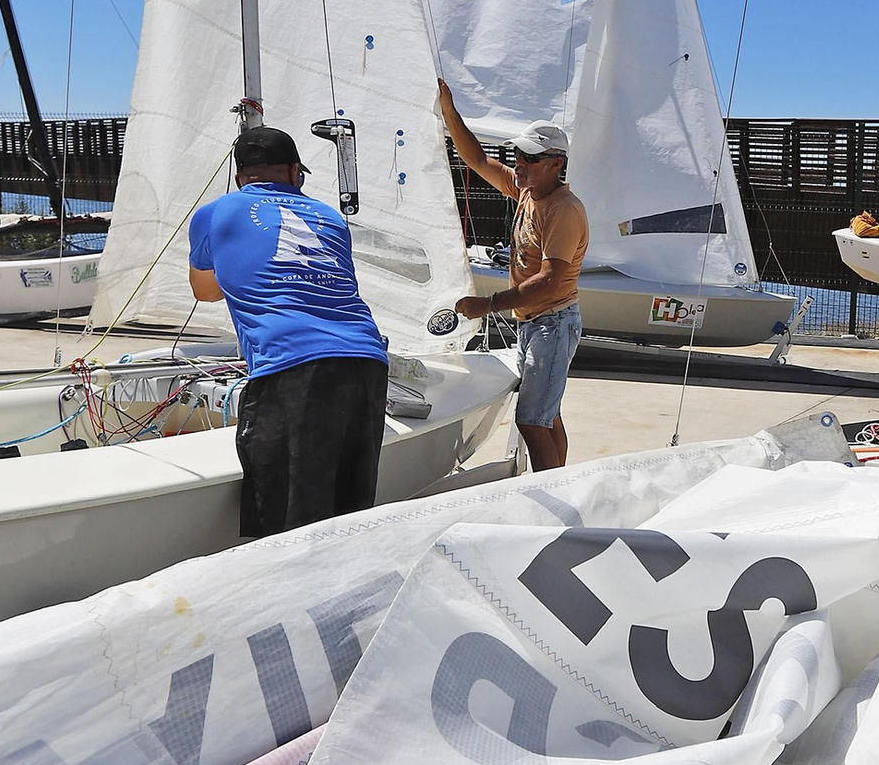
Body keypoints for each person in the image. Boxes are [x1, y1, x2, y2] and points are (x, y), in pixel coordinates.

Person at [188, 123, 389, 538]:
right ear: (296, 173)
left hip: (292, 366)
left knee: (288, 529)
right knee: (348, 518)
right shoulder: (332, 217)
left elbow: (204, 290)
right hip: (366, 361)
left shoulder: (215, 212)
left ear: (240, 177)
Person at [438, 79, 587, 470]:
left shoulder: (563, 210)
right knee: (547, 415)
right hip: (537, 325)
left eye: (531, 158)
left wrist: (487, 305)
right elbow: (476, 160)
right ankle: (560, 486)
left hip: (552, 324)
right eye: (517, 153)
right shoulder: (526, 191)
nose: (519, 162)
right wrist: (450, 113)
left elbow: (550, 281)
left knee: (531, 421)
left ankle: (548, 503)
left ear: (557, 164)